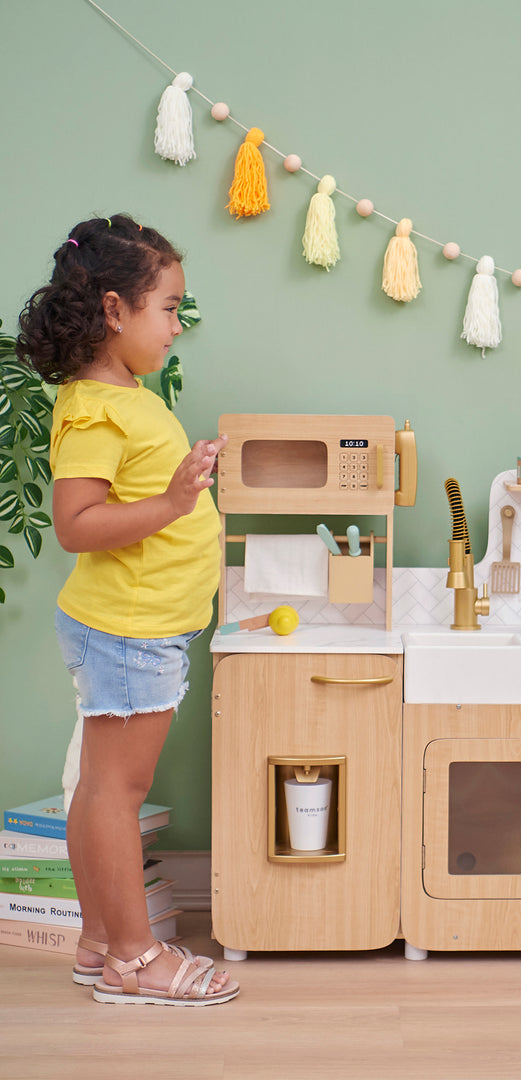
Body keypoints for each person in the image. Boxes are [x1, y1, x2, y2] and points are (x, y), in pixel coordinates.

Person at [16, 215, 237, 1006]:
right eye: (170, 308)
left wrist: (180, 490)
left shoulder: (122, 396)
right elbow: (77, 525)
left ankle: (101, 941)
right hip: (128, 631)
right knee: (115, 793)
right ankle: (136, 961)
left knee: (99, 790)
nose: (178, 326)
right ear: (115, 311)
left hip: (138, 627)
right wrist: (178, 500)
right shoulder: (94, 408)